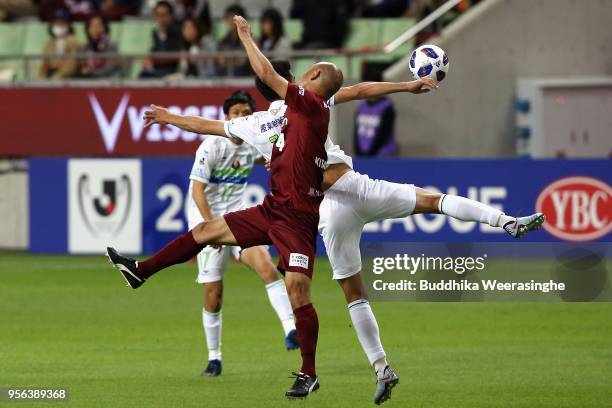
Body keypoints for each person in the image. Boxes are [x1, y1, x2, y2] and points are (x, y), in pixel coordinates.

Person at [140, 60, 546, 405]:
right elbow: (359, 90)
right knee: (429, 200)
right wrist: (406, 85)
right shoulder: (305, 103)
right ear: (297, 81)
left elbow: (207, 124)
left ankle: (382, 369)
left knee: (353, 291)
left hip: (324, 212)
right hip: (347, 189)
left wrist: (169, 118)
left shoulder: (264, 121)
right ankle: (505, 222)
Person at [106, 15, 344, 400]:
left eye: (310, 72)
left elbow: (266, 73)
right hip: (271, 210)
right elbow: (209, 127)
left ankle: (308, 372)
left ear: (316, 77)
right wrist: (168, 117)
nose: (303, 75)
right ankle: (140, 271)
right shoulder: (273, 120)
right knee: (204, 232)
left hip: (299, 220)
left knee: (297, 290)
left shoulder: (313, 106)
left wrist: (246, 37)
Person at [187, 90, 299, 377]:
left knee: (266, 267)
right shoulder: (210, 146)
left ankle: (291, 329)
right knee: (214, 292)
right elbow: (197, 192)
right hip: (206, 217)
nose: (241, 117)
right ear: (226, 117)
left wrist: (275, 163)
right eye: (235, 113)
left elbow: (278, 155)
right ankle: (214, 357)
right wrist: (211, 228)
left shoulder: (254, 141)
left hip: (237, 212)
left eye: (245, 113)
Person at [353, 68, 397, 156]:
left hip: (382, 157)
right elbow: (356, 133)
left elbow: (384, 135)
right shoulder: (361, 107)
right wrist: (359, 153)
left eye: (372, 87)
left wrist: (370, 154)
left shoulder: (387, 107)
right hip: (362, 156)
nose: (369, 91)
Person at [139, 0, 181, 78]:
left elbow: (173, 56)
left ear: (171, 16)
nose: (160, 18)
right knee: (142, 75)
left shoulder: (179, 33)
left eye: (163, 15)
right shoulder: (154, 33)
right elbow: (152, 51)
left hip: (172, 72)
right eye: (157, 15)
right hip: (156, 71)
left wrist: (154, 60)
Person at [39, 9, 80, 80]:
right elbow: (45, 62)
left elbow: (73, 62)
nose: (59, 26)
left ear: (68, 25)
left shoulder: (73, 41)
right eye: (56, 23)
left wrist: (59, 73)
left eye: (62, 23)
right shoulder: (50, 42)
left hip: (67, 75)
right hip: (51, 72)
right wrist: (41, 76)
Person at [216, 4, 250, 76]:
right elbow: (221, 62)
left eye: (234, 20)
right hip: (226, 77)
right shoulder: (223, 42)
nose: (232, 22)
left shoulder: (250, 41)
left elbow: (244, 62)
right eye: (229, 18)